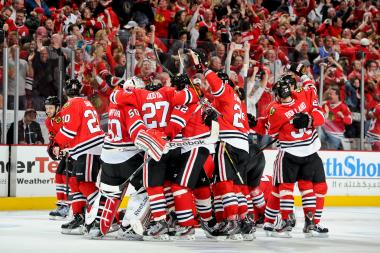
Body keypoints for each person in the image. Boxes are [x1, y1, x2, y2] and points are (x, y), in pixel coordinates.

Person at [266, 75, 325, 236]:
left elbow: (272, 131)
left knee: (285, 188)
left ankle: (287, 220)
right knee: (307, 188)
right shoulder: (302, 99)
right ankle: (310, 221)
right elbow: (311, 88)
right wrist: (304, 76)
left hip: (290, 153)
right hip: (310, 151)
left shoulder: (275, 109)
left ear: (278, 95)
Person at [53, 79, 104, 235]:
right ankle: (79, 217)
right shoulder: (87, 103)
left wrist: (57, 144)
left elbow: (70, 130)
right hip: (89, 147)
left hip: (88, 148)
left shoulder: (70, 105)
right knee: (75, 182)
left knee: (85, 184)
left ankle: (107, 217)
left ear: (64, 91)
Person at [44, 96, 71, 220]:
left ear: (57, 108)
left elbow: (71, 132)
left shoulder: (64, 117)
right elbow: (54, 138)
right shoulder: (48, 121)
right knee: (59, 175)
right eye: (46, 108)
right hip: (66, 151)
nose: (48, 110)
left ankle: (68, 205)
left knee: (67, 177)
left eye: (51, 108)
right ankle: (62, 204)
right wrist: (53, 146)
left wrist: (66, 148)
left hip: (74, 150)